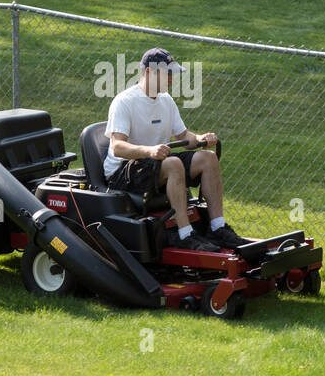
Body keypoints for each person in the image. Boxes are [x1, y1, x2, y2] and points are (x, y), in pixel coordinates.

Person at [103, 47, 249, 252]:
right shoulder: (124, 101)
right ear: (148, 73)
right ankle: (185, 234)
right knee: (173, 164)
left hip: (155, 163)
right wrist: (150, 151)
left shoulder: (166, 101)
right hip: (122, 172)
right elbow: (118, 147)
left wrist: (200, 140)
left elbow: (183, 137)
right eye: (168, 74)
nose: (172, 79)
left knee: (208, 159)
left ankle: (217, 227)